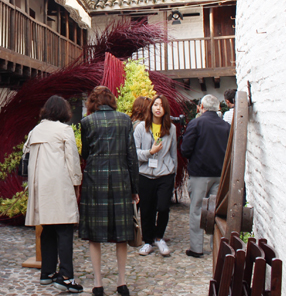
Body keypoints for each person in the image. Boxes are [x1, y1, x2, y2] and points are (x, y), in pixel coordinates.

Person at [79, 86, 139, 296]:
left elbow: (85, 153)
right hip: (121, 180)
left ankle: (98, 284)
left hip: (95, 180)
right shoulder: (125, 120)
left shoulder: (87, 122)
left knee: (95, 236)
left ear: (93, 102)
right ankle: (122, 283)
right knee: (121, 235)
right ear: (112, 100)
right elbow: (132, 156)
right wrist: (135, 188)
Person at [24, 95, 83, 293]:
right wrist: (77, 183)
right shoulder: (64, 130)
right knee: (65, 229)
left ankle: (47, 272)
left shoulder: (35, 131)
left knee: (47, 228)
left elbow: (25, 157)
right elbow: (72, 160)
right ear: (63, 111)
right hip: (59, 183)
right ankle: (66, 276)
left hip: (39, 185)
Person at [181, 94, 230, 258]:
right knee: (215, 212)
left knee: (197, 210)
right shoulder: (226, 126)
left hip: (200, 174)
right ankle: (215, 245)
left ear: (201, 107)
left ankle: (196, 248)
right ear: (217, 108)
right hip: (219, 174)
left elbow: (186, 149)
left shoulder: (196, 123)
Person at [133, 94, 177, 258]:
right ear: (151, 107)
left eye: (161, 105)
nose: (158, 108)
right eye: (155, 104)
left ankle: (159, 237)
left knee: (163, 207)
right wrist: (149, 152)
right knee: (146, 209)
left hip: (165, 173)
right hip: (145, 174)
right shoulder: (140, 128)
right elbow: (134, 153)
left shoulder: (170, 128)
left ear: (165, 109)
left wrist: (173, 172)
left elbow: (173, 153)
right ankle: (147, 241)